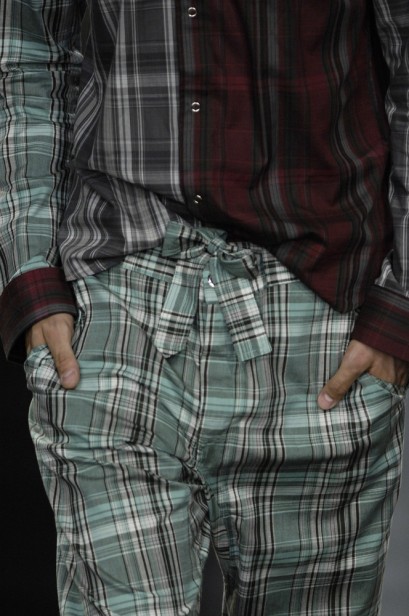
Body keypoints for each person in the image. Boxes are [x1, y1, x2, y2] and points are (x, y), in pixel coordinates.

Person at [1, 1, 408, 614]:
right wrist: (31, 273)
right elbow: (30, 49)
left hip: (318, 317)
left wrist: (400, 307)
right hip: (117, 305)